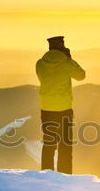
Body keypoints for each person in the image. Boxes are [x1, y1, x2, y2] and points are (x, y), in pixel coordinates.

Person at [35, 36, 85, 173]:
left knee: (49, 143)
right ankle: (65, 175)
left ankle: (46, 173)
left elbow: (42, 79)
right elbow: (81, 75)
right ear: (62, 46)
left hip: (46, 109)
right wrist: (70, 59)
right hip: (64, 109)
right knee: (65, 145)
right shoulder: (67, 63)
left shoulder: (39, 63)